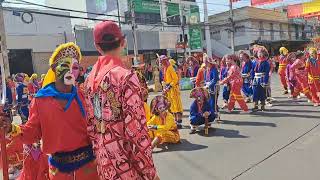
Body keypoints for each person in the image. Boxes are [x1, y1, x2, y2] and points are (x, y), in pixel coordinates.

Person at [0, 42, 100, 180]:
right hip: (59, 171)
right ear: (54, 68)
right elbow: (32, 133)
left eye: (75, 67)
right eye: (65, 66)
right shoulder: (41, 100)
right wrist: (11, 128)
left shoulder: (85, 96)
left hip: (88, 168)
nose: (71, 71)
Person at [84, 21, 158, 180]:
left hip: (105, 166)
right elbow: (137, 132)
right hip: (128, 168)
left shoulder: (90, 81)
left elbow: (93, 126)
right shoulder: (125, 77)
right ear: (123, 42)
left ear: (97, 47)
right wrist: (149, 173)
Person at [159, 55, 183, 128]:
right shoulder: (165, 69)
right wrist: (165, 87)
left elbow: (175, 79)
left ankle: (179, 122)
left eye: (163, 61)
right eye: (161, 61)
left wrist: (169, 86)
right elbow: (167, 80)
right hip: (169, 90)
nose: (162, 63)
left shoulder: (170, 68)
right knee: (171, 106)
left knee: (177, 105)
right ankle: (175, 121)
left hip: (173, 90)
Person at [252, 47, 270, 111]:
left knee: (262, 92)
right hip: (255, 79)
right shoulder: (254, 62)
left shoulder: (266, 62)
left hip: (262, 79)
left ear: (264, 54)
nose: (259, 54)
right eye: (258, 53)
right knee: (255, 92)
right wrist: (252, 79)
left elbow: (267, 73)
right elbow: (252, 71)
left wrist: (265, 81)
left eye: (261, 53)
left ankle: (263, 105)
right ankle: (255, 105)